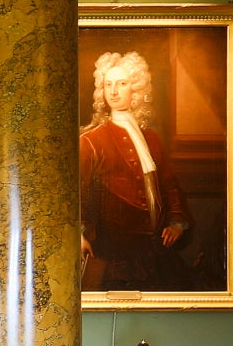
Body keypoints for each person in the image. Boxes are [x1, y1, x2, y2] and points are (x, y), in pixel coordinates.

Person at [79, 49, 189, 290]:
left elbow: (169, 184)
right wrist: (79, 234)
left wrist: (177, 222)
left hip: (154, 249)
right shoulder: (91, 140)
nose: (114, 91)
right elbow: (75, 192)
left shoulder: (151, 138)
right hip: (113, 252)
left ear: (136, 89)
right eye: (108, 84)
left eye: (122, 83)